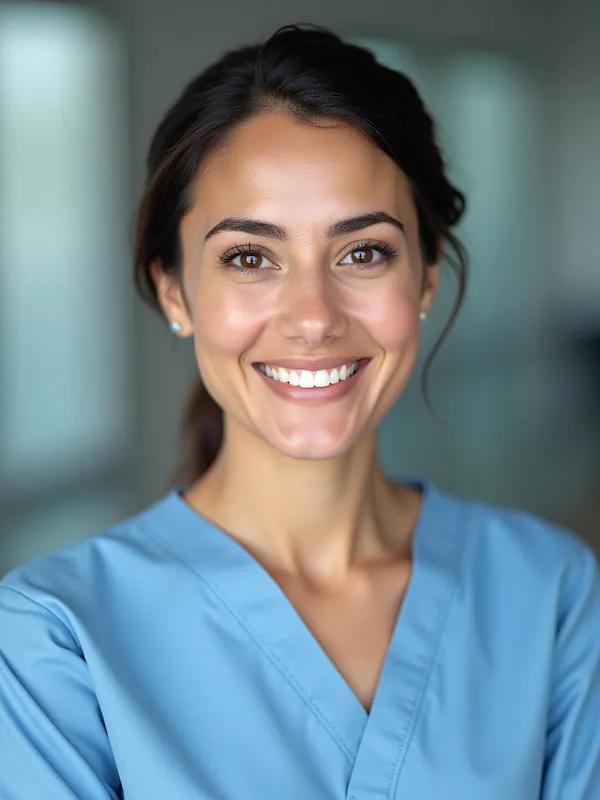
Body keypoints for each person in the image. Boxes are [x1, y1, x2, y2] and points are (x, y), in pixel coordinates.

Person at [1, 22, 599, 800]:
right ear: (177, 291)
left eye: (364, 252)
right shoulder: (53, 639)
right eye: (251, 258)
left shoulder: (545, 593)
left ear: (423, 280)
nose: (312, 316)